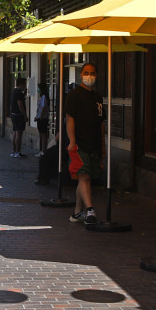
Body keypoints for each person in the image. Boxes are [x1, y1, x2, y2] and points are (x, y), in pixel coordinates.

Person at [65, 63, 104, 225]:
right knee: (84, 175)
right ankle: (90, 210)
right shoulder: (74, 95)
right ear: (81, 75)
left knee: (85, 178)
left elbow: (101, 123)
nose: (90, 76)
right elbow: (70, 118)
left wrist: (103, 146)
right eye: (87, 73)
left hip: (94, 143)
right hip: (79, 143)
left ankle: (77, 211)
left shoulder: (98, 98)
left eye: (93, 73)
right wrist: (72, 140)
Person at [9, 77, 28, 157]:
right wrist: (25, 115)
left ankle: (14, 151)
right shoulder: (19, 92)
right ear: (21, 84)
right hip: (18, 115)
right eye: (24, 84)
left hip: (13, 114)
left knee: (15, 133)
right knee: (19, 134)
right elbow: (20, 104)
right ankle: (18, 152)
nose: (25, 86)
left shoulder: (14, 91)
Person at [34, 84, 50, 158]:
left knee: (43, 136)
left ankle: (43, 151)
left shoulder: (44, 97)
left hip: (42, 119)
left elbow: (43, 107)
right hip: (40, 118)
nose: (38, 90)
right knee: (42, 135)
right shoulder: (41, 97)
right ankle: (42, 151)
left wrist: (40, 116)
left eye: (39, 88)